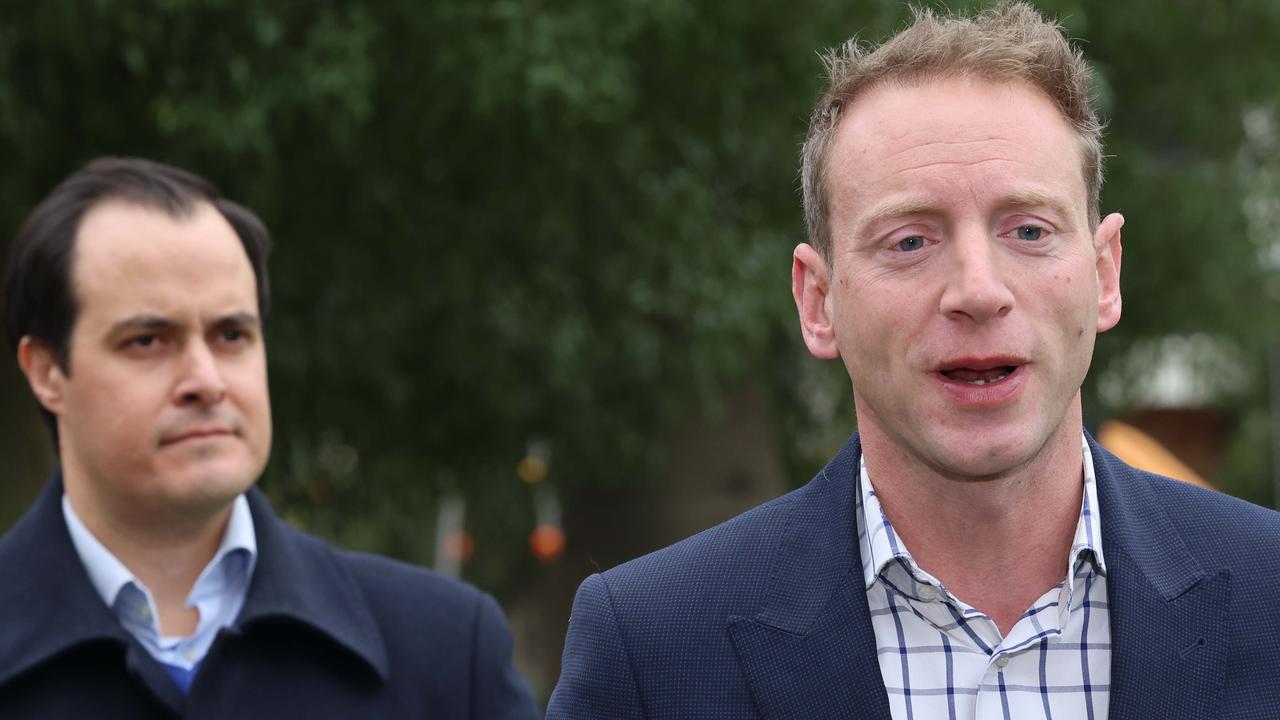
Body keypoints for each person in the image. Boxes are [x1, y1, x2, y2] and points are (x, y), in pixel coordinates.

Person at [547, 3, 1280, 718]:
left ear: (1106, 273)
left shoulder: (1268, 595)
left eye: (1027, 230)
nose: (977, 290)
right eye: (909, 242)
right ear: (817, 301)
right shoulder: (652, 650)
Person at [0, 157, 540, 719]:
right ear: (45, 372)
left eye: (232, 334)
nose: (206, 381)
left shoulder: (445, 651)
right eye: (147, 341)